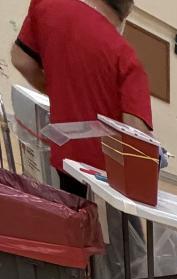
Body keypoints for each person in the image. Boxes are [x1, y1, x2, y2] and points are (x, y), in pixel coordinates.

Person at [11, 0, 152, 197]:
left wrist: (59, 92)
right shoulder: (126, 58)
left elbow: (21, 60)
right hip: (105, 180)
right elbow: (136, 135)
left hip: (63, 160)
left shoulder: (47, 6)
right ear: (126, 13)